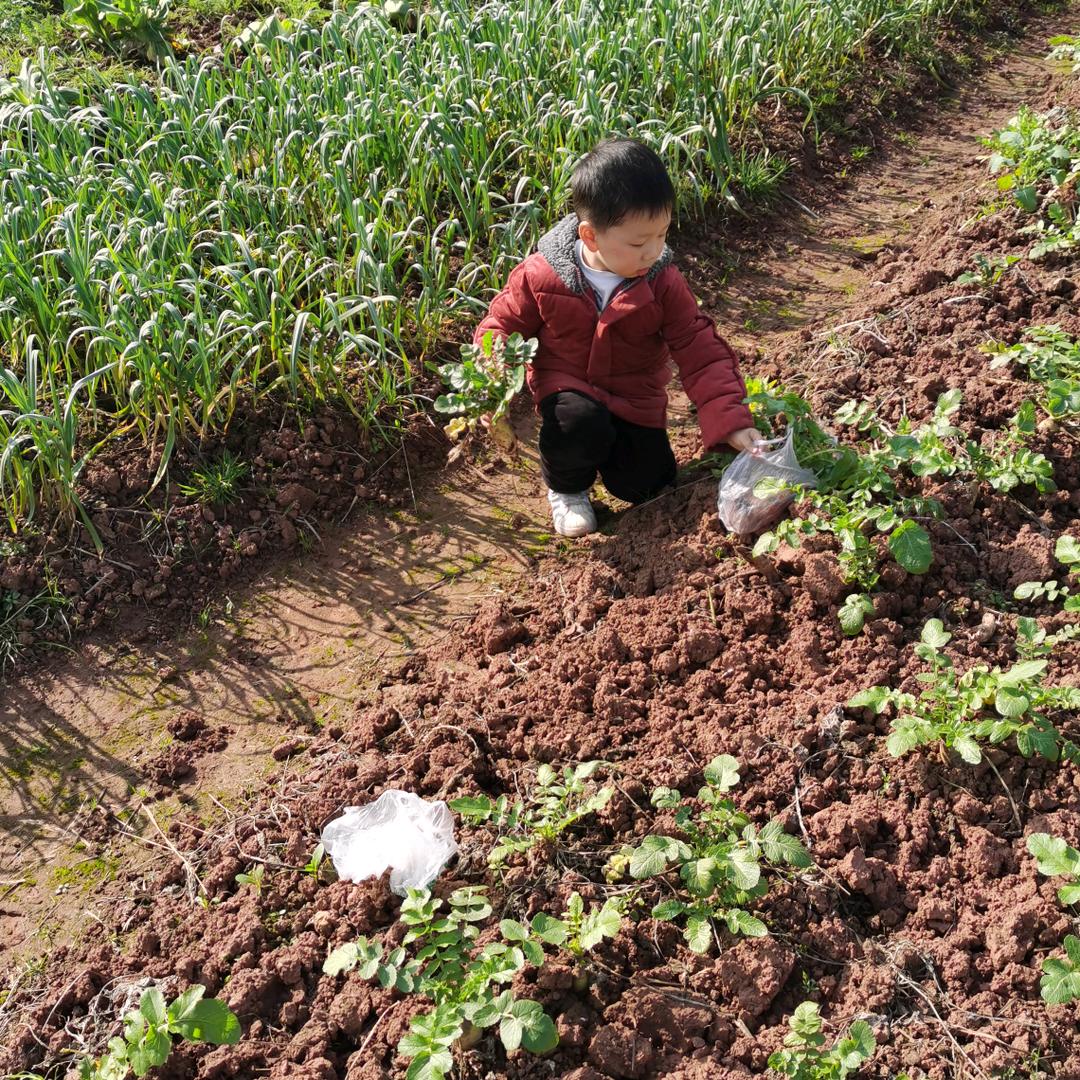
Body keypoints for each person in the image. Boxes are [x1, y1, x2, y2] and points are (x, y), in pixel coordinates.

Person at [474, 137, 762, 537]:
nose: (654, 251)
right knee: (577, 422)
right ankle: (569, 489)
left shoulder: (661, 280)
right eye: (639, 242)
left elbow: (700, 349)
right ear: (590, 236)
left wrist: (730, 419)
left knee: (649, 485)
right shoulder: (542, 275)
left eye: (662, 234)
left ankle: (612, 457)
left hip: (633, 398)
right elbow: (500, 325)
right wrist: (490, 368)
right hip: (567, 388)